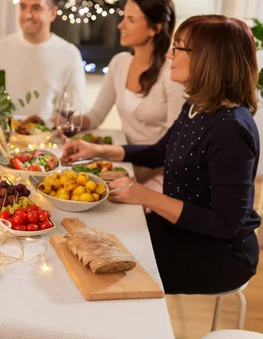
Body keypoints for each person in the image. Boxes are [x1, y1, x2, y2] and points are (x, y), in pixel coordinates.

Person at [62, 15, 261, 294]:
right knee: (94, 235)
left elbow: (226, 225)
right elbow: (159, 153)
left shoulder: (230, 130)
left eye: (179, 48)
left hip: (217, 254)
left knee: (102, 263)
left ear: (208, 58)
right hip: (180, 231)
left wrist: (145, 196)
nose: (170, 54)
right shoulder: (196, 107)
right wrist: (98, 150)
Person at [80, 0, 185, 191]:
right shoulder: (120, 63)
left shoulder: (171, 74)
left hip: (158, 172)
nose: (121, 26)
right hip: (124, 160)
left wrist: (135, 178)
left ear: (155, 28)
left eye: (131, 20)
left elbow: (175, 146)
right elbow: (96, 115)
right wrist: (70, 122)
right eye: (123, 18)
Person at [0, 0, 87, 122]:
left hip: (49, 139)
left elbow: (77, 107)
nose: (27, 15)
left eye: (36, 8)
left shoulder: (69, 54)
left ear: (53, 13)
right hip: (4, 137)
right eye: (23, 7)